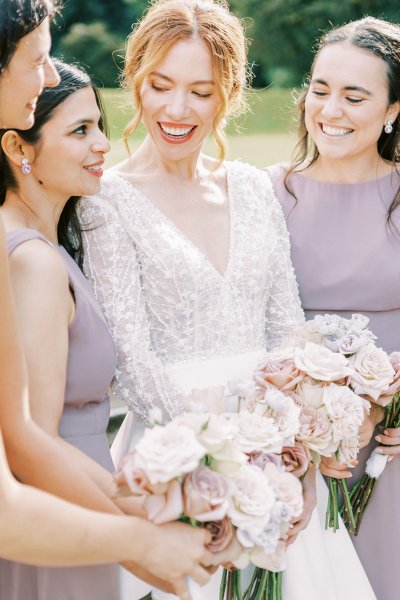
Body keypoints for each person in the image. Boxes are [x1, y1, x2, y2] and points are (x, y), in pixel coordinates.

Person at [78, 1, 317, 598]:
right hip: (174, 465)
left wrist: (287, 452)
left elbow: (288, 330)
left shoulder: (254, 188)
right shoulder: (106, 202)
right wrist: (221, 463)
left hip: (274, 456)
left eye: (200, 92)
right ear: (135, 81)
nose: (177, 110)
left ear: (229, 94)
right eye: (160, 86)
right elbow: (131, 363)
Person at [0, 57, 217, 600]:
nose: (102, 144)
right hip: (62, 508)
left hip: (88, 496)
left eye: (99, 124)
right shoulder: (31, 262)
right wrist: (138, 537)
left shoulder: (50, 245)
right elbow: (34, 440)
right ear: (19, 149)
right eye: (79, 131)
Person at [267, 16, 400, 600]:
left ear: (394, 109)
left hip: (392, 453)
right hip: (296, 455)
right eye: (320, 90)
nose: (330, 110)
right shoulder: (268, 193)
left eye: (355, 96)